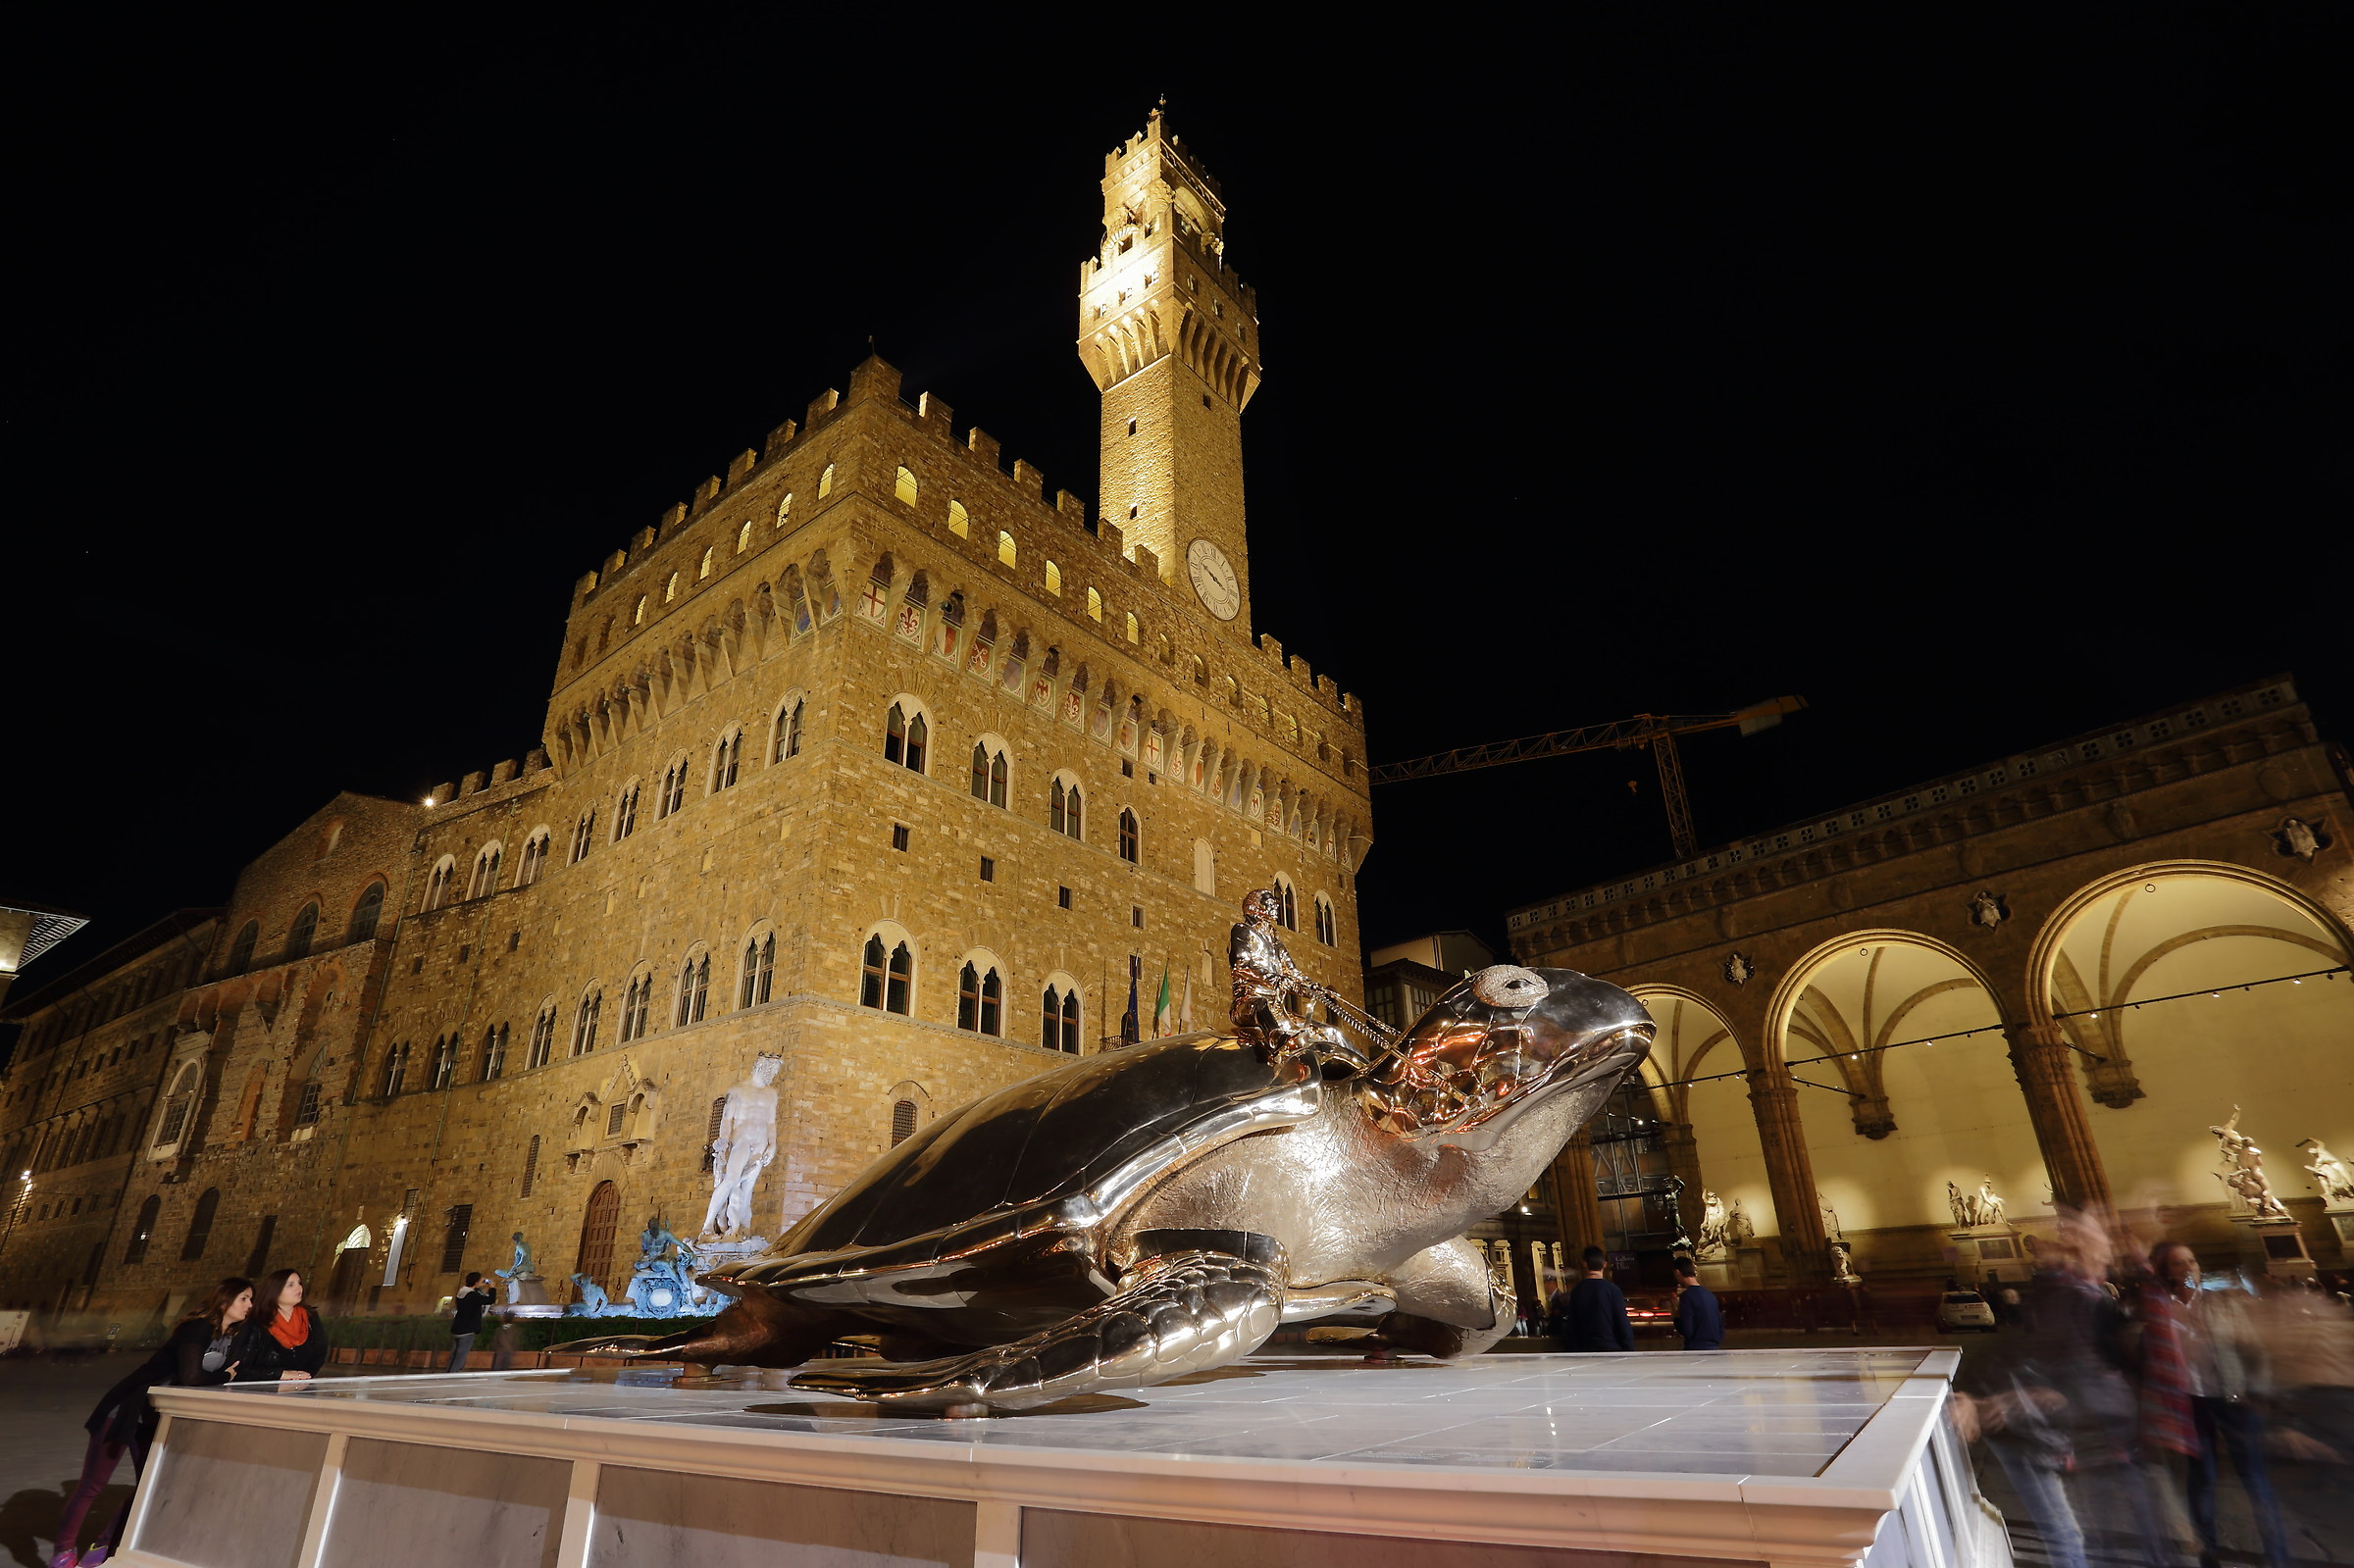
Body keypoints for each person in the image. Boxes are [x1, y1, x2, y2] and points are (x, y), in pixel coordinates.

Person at [54, 1278, 253, 1567]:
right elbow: (191, 1377)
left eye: (251, 1299)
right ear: (225, 1300)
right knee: (93, 1485)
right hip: (125, 1409)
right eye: (244, 1298)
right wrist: (226, 1376)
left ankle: (104, 1545)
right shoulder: (198, 1328)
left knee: (150, 1486)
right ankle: (63, 1552)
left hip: (152, 1416)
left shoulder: (228, 1337)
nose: (250, 1305)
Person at [2139, 1242, 2290, 1568]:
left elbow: (2253, 1349)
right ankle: (2208, 1552)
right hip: (2190, 1403)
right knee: (2202, 1479)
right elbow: (2150, 1355)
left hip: (2233, 1399)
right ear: (2166, 1272)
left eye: (2192, 1261)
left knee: (2254, 1479)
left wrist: (2259, 1390)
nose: (2189, 1268)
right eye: (2179, 1264)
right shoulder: (2161, 1310)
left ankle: (2278, 1557)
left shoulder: (2221, 1301)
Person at [236, 1268, 326, 1383]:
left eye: (299, 1283)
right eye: (290, 1285)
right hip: (262, 1389)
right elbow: (241, 1369)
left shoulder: (310, 1317)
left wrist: (302, 1377)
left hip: (299, 1386)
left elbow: (320, 1353)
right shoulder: (257, 1322)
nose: (298, 1288)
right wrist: (281, 1374)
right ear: (275, 1291)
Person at [1555, 1246, 1633, 1353]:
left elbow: (1572, 1325)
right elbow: (1622, 1323)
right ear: (1604, 1264)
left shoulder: (1577, 1291)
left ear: (1584, 1264)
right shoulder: (1613, 1290)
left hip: (1585, 1350)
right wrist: (1629, 1349)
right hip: (1612, 1349)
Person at [449, 1271, 495, 1371]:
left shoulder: (461, 1292)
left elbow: (474, 1294)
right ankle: (452, 1375)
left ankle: (448, 1373)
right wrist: (492, 1288)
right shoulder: (473, 1296)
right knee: (460, 1357)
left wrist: (478, 1285)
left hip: (457, 1328)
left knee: (454, 1355)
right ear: (476, 1282)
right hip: (467, 1330)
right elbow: (490, 1300)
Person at [1672, 1259, 1722, 1350]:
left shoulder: (1687, 1296)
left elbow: (1687, 1330)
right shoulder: (1710, 1295)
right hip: (1714, 1347)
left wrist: (1675, 1316)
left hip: (1696, 1348)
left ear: (1677, 1272)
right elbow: (1720, 1327)